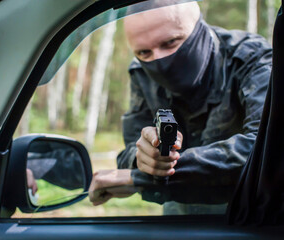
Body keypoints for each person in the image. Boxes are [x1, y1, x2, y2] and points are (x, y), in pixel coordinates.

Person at [89, 1, 272, 214]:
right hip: (179, 216)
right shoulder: (141, 72)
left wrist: (148, 177)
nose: (159, 60)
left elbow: (267, 149)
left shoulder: (253, 58)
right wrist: (144, 157)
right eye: (144, 52)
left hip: (252, 216)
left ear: (199, 27)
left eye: (170, 42)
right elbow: (130, 148)